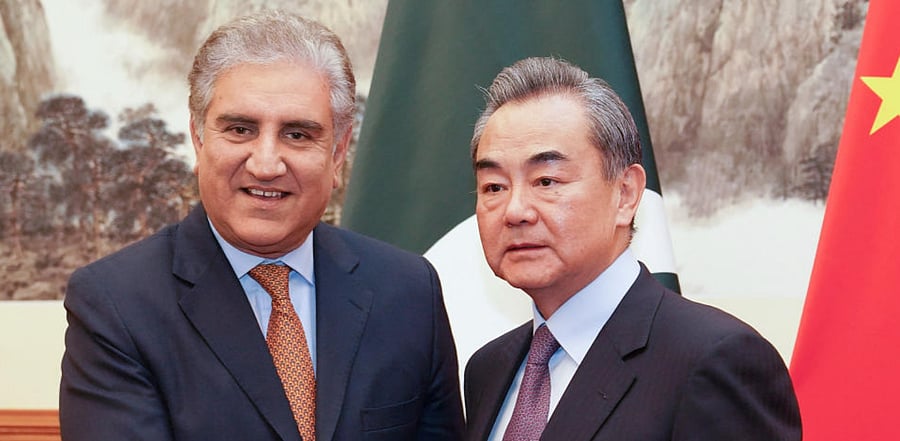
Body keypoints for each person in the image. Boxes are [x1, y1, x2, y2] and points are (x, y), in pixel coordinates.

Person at [59, 10, 464, 441]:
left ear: (338, 152)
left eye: (297, 135)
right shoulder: (115, 305)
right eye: (240, 129)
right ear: (198, 139)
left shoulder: (408, 291)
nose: (267, 164)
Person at [463, 57, 801, 440]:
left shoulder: (714, 360)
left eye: (546, 181)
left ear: (625, 194)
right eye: (494, 186)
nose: (515, 211)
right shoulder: (487, 370)